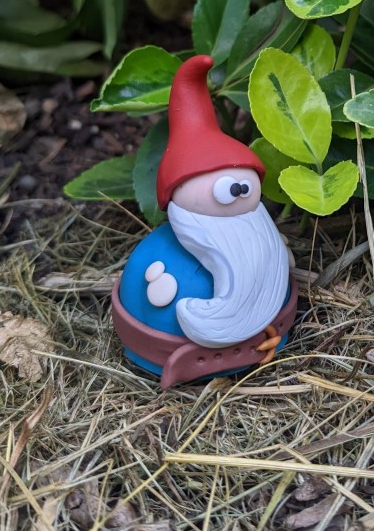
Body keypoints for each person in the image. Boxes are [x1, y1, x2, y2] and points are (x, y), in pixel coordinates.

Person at [112, 55, 297, 388]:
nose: (238, 191)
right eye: (224, 185)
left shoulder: (265, 244)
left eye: (245, 183)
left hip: (272, 338)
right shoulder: (154, 255)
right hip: (164, 356)